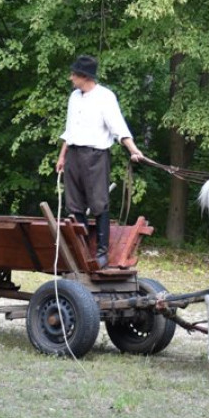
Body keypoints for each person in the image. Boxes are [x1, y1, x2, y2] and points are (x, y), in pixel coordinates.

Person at [56, 55, 144, 268]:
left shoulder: (105, 97)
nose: (70, 78)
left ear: (84, 76)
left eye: (73, 74)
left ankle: (102, 250)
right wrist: (62, 156)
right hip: (74, 155)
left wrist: (133, 150)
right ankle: (84, 247)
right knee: (74, 204)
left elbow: (118, 127)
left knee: (98, 202)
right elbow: (70, 130)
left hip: (95, 155)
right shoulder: (74, 97)